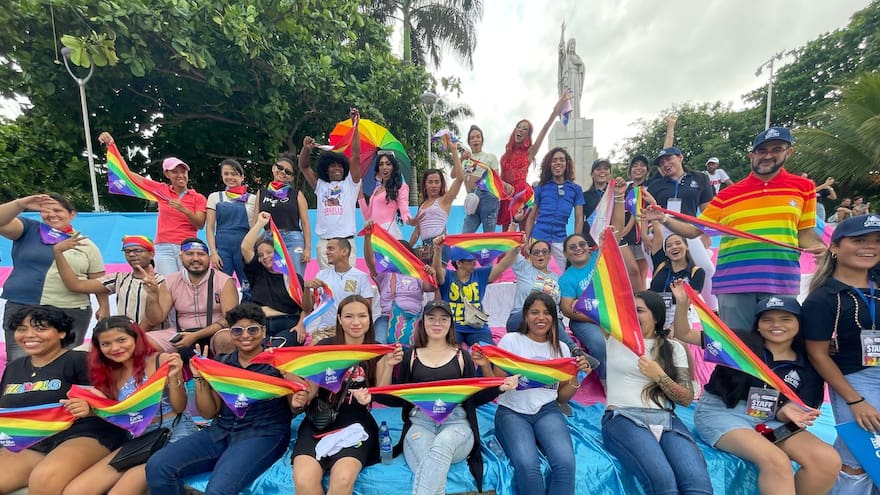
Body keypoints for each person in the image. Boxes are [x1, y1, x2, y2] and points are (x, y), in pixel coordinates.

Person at [644, 127, 827, 333]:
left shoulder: (803, 187)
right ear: (752, 155)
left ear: (789, 152)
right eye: (762, 151)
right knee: (738, 351)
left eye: (776, 149)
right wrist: (664, 218)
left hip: (780, 280)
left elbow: (806, 234)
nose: (768, 155)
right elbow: (694, 230)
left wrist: (821, 249)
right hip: (734, 282)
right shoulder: (728, 194)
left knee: (778, 349)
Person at [674, 284, 839, 495]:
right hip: (724, 414)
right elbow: (685, 333)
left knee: (827, 460)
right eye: (767, 319)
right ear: (758, 324)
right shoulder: (739, 343)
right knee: (776, 460)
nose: (776, 325)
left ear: (799, 323)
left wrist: (784, 412)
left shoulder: (807, 361)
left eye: (785, 318)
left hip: (771, 422)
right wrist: (682, 304)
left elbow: (793, 408)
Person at [146, 303, 309, 495]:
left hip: (262, 434)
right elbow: (208, 413)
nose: (245, 335)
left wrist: (292, 386)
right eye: (238, 330)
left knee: (218, 490)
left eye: (253, 329)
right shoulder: (222, 363)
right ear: (230, 333)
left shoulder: (279, 362)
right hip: (221, 431)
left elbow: (296, 406)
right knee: (157, 466)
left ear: (263, 331)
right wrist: (200, 377)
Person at [373, 300, 518, 495]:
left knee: (442, 444)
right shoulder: (412, 356)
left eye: (443, 319)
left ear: (450, 323)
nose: (437, 323)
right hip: (420, 423)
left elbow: (476, 397)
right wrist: (389, 365)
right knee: (430, 468)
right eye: (431, 318)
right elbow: (392, 397)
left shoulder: (462, 357)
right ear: (423, 322)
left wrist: (494, 379)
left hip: (456, 424)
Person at [0, 306, 128, 495]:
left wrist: (90, 407)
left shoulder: (80, 360)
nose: (29, 335)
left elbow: (114, 402)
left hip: (83, 434)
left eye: (40, 328)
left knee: (44, 479)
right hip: (33, 441)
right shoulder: (14, 367)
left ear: (61, 332)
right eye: (21, 329)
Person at [63, 316, 195, 495]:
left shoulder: (161, 360)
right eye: (106, 344)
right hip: (138, 441)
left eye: (121, 340)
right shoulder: (108, 373)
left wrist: (173, 379)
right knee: (76, 491)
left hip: (175, 435)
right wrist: (90, 411)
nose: (115, 348)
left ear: (136, 338)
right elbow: (118, 414)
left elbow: (180, 407)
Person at [601, 290, 712, 495]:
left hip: (667, 421)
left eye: (640, 311)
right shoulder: (614, 338)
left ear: (657, 316)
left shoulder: (673, 348)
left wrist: (659, 375)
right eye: (630, 311)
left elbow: (686, 398)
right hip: (624, 417)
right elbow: (603, 294)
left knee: (698, 485)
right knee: (663, 482)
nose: (633, 315)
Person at [292, 295, 403, 495]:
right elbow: (311, 390)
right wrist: (301, 395)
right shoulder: (325, 347)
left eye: (362, 316)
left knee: (342, 481)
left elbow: (380, 391)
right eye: (349, 316)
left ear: (370, 319)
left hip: (357, 424)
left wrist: (388, 364)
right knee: (304, 482)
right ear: (340, 320)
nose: (356, 322)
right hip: (320, 420)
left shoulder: (376, 349)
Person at [803, 214, 880, 494]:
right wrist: (855, 401)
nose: (870, 247)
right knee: (858, 458)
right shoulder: (823, 298)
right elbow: (818, 355)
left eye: (877, 241)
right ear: (835, 247)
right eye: (859, 240)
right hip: (858, 381)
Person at [485, 293, 592, 495]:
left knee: (565, 463)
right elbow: (497, 383)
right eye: (534, 312)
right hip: (512, 412)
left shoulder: (561, 349)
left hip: (547, 411)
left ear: (554, 318)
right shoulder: (511, 341)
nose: (540, 318)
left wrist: (574, 375)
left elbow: (562, 397)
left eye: (546, 313)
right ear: (525, 316)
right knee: (527, 465)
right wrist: (493, 370)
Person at [0, 194, 109, 362]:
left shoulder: (86, 244)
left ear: (72, 214)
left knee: (66, 362)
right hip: (23, 305)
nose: (52, 214)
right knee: (20, 362)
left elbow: (99, 281)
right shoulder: (29, 229)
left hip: (71, 310)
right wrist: (21, 203)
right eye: (46, 211)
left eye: (58, 210)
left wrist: (103, 307)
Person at [98, 132, 207, 276]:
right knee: (166, 285)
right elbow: (129, 175)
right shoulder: (161, 190)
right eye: (175, 172)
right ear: (167, 174)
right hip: (164, 246)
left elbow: (200, 224)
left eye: (183, 172)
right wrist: (111, 146)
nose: (181, 175)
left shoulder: (197, 197)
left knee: (188, 285)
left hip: (187, 246)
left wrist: (184, 209)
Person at [52, 234, 171, 348]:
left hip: (152, 339)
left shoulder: (165, 281)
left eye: (138, 250)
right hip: (123, 339)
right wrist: (58, 253)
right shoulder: (119, 278)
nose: (132, 254)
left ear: (151, 254)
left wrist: (133, 337)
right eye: (127, 251)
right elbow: (76, 286)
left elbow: (154, 320)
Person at [646, 146, 717, 310]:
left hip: (688, 231)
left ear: (680, 157)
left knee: (705, 268)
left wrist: (705, 232)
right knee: (660, 272)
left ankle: (713, 310)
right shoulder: (656, 185)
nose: (665, 164)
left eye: (669, 159)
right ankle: (664, 313)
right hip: (660, 229)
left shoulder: (699, 178)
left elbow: (708, 209)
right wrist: (645, 235)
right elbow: (647, 211)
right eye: (662, 162)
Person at [299, 111, 363, 269]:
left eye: (340, 165)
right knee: (327, 287)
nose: (337, 168)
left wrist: (355, 126)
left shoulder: (351, 183)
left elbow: (355, 155)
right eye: (333, 165)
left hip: (345, 242)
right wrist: (306, 149)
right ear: (326, 169)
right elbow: (304, 166)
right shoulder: (320, 185)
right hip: (325, 244)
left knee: (348, 287)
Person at [497, 94, 569, 230]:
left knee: (525, 231)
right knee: (506, 232)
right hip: (507, 195)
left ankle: (527, 251)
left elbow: (545, 128)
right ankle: (506, 252)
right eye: (519, 127)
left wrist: (556, 110)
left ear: (527, 135)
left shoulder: (529, 153)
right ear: (515, 130)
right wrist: (503, 186)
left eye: (525, 129)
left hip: (522, 195)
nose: (521, 130)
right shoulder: (504, 156)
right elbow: (500, 178)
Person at [157, 238, 239, 355]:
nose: (195, 258)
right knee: (146, 341)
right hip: (181, 332)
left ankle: (222, 372)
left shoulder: (224, 281)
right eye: (189, 254)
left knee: (227, 340)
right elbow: (158, 318)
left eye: (201, 254)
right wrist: (151, 294)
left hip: (216, 332)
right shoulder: (170, 281)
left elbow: (230, 320)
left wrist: (195, 336)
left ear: (209, 258)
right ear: (181, 257)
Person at [241, 212, 312, 347]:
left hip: (288, 325)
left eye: (269, 252)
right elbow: (245, 247)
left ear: (279, 252)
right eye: (261, 255)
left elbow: (306, 308)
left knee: (275, 347)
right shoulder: (257, 273)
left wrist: (301, 325)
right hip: (260, 326)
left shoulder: (293, 278)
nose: (265, 257)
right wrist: (260, 223)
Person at [433, 240, 519, 347]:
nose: (474, 263)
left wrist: (516, 248)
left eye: (474, 260)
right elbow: (437, 271)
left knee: (488, 352)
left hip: (477, 327)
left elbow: (503, 265)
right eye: (470, 261)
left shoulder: (480, 274)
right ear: (459, 263)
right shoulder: (448, 276)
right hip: (452, 326)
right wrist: (437, 250)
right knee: (447, 352)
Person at [363, 225, 435, 344]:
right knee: (379, 344)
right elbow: (370, 261)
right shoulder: (385, 273)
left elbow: (431, 287)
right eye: (395, 254)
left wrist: (431, 273)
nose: (399, 257)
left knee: (424, 346)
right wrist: (367, 236)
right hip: (387, 318)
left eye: (402, 254)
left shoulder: (417, 274)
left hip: (414, 319)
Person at [504, 240, 577, 350]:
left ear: (549, 255)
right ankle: (574, 350)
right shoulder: (523, 268)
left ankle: (576, 359)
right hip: (521, 317)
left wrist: (576, 301)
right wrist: (514, 224)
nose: (540, 254)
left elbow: (566, 301)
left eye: (544, 251)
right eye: (536, 252)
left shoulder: (558, 279)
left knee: (549, 318)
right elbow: (508, 247)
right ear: (530, 255)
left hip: (552, 320)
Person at [524, 147, 584, 272]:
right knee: (535, 274)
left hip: (560, 238)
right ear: (549, 165)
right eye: (554, 160)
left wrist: (576, 240)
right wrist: (526, 241)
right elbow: (531, 217)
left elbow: (579, 218)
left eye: (561, 160)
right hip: (538, 235)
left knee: (565, 273)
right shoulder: (541, 188)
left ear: (566, 164)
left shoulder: (576, 189)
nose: (558, 163)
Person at [305, 238, 373, 343]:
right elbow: (307, 308)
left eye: (331, 249)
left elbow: (367, 308)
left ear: (344, 252)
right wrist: (306, 288)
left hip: (351, 331)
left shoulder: (361, 277)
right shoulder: (322, 275)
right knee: (311, 355)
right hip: (326, 331)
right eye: (327, 249)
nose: (327, 252)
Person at [558, 233, 605, 383]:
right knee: (599, 343)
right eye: (572, 247)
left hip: (611, 313)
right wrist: (601, 319)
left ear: (588, 247)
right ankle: (605, 379)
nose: (578, 248)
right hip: (584, 321)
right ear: (566, 253)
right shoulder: (566, 278)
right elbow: (567, 310)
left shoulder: (599, 257)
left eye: (582, 244)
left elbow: (618, 230)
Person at [255, 156, 312, 277]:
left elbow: (305, 223)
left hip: (293, 239)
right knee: (272, 278)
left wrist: (307, 248)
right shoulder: (261, 192)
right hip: (270, 240)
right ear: (273, 168)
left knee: (296, 278)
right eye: (280, 168)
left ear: (291, 177)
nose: (282, 172)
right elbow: (255, 222)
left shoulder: (297, 194)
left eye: (288, 172)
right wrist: (252, 244)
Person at [205, 159, 257, 290]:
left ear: (242, 177)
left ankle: (251, 310)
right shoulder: (215, 197)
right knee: (222, 287)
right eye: (226, 174)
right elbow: (210, 228)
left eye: (233, 174)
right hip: (222, 250)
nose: (230, 177)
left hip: (244, 248)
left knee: (249, 286)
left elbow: (256, 227)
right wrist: (213, 253)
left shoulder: (253, 199)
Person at [409, 141, 465, 263]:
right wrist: (407, 249)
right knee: (425, 282)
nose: (433, 185)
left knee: (437, 279)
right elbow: (417, 231)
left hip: (440, 244)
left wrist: (454, 151)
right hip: (424, 248)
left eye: (437, 182)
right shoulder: (422, 205)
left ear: (441, 184)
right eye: (430, 182)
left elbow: (460, 179)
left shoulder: (444, 200)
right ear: (425, 185)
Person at [460, 125, 509, 234]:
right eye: (472, 137)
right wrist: (461, 158)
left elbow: (496, 179)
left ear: (482, 140)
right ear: (468, 142)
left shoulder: (489, 157)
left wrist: (506, 185)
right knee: (465, 235)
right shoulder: (465, 160)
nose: (475, 140)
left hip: (488, 197)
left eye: (478, 137)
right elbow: (454, 174)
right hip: (472, 198)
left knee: (488, 236)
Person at [359, 151, 411, 239]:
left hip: (389, 234)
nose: (384, 167)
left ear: (393, 167)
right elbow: (367, 216)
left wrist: (409, 220)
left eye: (388, 164)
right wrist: (360, 195)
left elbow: (403, 206)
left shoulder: (400, 187)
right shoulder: (376, 190)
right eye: (381, 164)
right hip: (375, 233)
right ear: (378, 169)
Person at [623, 155, 652, 291]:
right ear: (630, 170)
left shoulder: (649, 188)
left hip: (642, 237)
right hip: (626, 239)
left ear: (647, 170)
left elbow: (640, 212)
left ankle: (641, 304)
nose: (638, 168)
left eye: (642, 165)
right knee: (628, 274)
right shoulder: (625, 188)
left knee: (641, 274)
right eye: (635, 165)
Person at [647, 232, 706, 297]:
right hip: (655, 306)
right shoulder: (660, 265)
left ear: (687, 247)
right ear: (665, 252)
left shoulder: (697, 272)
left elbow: (691, 299)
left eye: (678, 243)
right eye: (669, 246)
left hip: (680, 307)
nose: (674, 247)